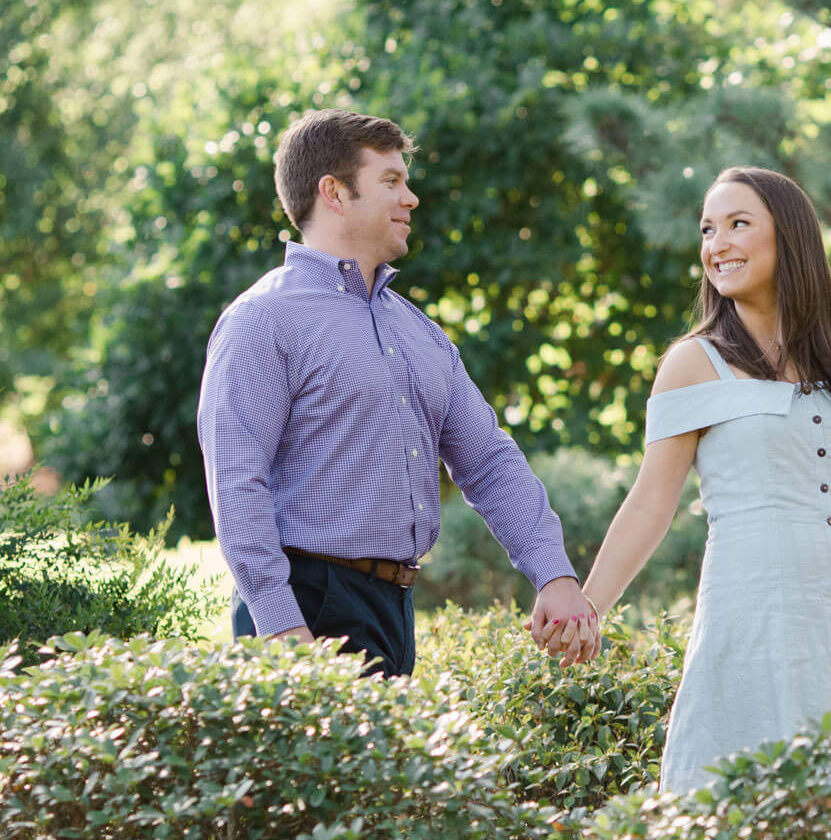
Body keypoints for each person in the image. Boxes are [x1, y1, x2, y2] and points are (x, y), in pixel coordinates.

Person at [195, 107, 595, 676]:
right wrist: (280, 626)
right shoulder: (264, 320)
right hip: (306, 609)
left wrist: (553, 574)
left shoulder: (418, 332)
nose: (411, 198)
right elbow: (236, 482)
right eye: (391, 181)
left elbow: (487, 460)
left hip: (393, 607)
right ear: (334, 192)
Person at [554, 166, 831, 791]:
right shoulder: (692, 362)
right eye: (708, 229)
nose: (717, 244)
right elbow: (651, 502)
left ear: (790, 238)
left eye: (738, 224)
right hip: (747, 620)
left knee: (828, 820)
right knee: (728, 804)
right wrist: (588, 607)